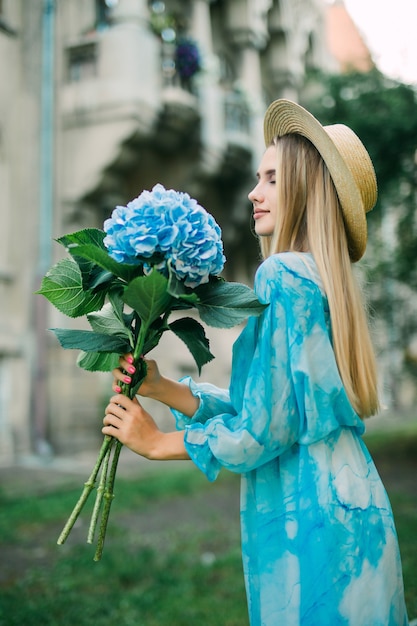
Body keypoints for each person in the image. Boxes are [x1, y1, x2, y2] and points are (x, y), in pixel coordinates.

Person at [103, 99, 409, 625]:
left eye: (270, 178)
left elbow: (261, 432)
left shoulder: (282, 275)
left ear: (306, 188)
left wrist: (157, 443)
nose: (254, 192)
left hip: (308, 516)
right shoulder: (323, 280)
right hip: (353, 507)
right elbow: (272, 409)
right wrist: (165, 389)